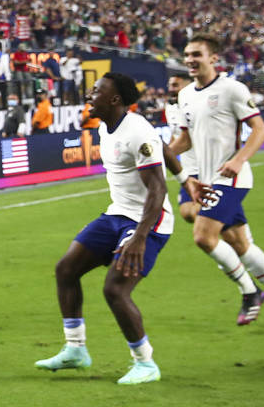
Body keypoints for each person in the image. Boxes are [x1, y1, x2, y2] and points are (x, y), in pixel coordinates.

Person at [34, 73, 173, 385]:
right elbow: (162, 146)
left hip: (148, 221)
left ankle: (145, 363)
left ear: (114, 100)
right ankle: (75, 349)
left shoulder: (136, 131)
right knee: (66, 269)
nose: (89, 95)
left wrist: (139, 236)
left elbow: (158, 190)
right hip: (117, 215)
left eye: (96, 91)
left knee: (115, 289)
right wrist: (188, 176)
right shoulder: (107, 126)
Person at [165, 33, 264, 327]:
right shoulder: (185, 95)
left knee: (203, 236)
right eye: (187, 55)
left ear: (213, 58)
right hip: (206, 179)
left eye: (196, 55)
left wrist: (238, 159)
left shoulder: (232, 89)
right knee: (239, 243)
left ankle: (250, 291)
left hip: (231, 178)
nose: (190, 60)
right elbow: (185, 141)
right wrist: (155, 157)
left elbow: (260, 130)